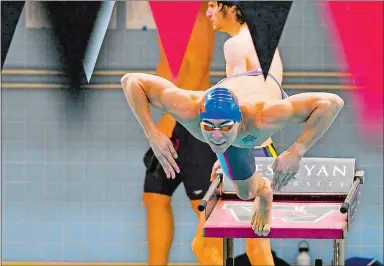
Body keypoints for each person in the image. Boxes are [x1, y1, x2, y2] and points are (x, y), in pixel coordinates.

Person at [120, 62, 344, 236]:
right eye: (208, 127)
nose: (216, 136)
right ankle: (257, 186)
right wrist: (152, 133)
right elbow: (131, 80)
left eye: (225, 127)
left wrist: (297, 151)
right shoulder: (188, 107)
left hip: (263, 88)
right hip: (230, 88)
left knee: (243, 186)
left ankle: (261, 191)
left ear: (239, 121)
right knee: (243, 190)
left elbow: (332, 103)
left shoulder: (265, 116)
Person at [206, 1, 284, 265]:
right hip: (264, 145)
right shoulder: (262, 41)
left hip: (249, 146)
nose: (208, 13)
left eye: (212, 5)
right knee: (254, 247)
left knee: (253, 247)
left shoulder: (235, 44)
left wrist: (228, 155)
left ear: (231, 7)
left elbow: (236, 111)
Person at [141, 3, 220, 265]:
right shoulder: (173, 14)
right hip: (171, 116)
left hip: (190, 120)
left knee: (202, 203)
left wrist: (167, 118)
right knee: (154, 196)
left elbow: (197, 68)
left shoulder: (195, 12)